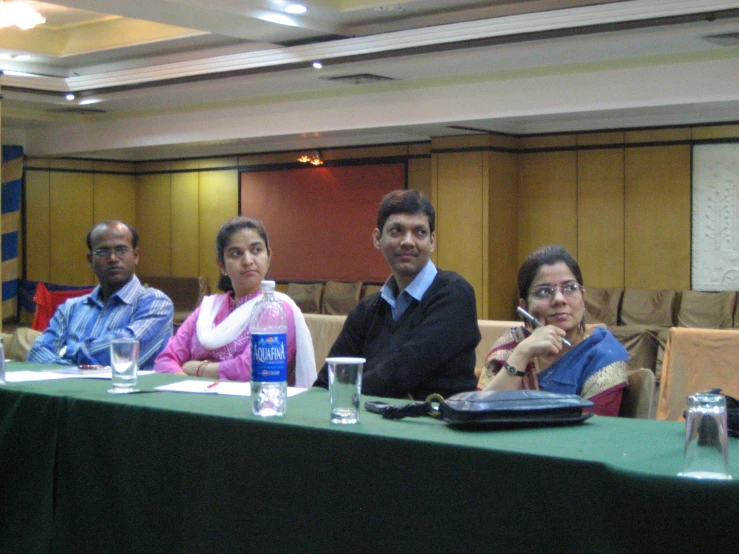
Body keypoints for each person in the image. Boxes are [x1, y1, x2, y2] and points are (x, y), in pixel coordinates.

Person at [314, 190, 481, 399]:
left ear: (432, 241)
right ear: (377, 238)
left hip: (435, 426)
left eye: (420, 232)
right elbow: (327, 380)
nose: (408, 241)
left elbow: (402, 374)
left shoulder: (454, 294)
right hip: (370, 424)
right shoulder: (367, 309)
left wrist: (343, 390)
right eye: (397, 231)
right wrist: (337, 389)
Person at [154, 216, 316, 386]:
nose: (248, 261)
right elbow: (165, 360)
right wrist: (190, 386)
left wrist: (197, 368)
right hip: (194, 401)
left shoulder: (276, 308)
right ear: (222, 265)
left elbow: (250, 370)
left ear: (269, 256)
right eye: (236, 253)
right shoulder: (209, 308)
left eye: (256, 250)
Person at [477, 245, 628, 416]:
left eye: (570, 288)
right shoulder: (513, 345)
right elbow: (479, 413)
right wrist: (522, 354)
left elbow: (594, 432)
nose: (559, 299)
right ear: (524, 306)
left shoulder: (602, 355)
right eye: (544, 292)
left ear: (583, 298)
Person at [28, 220, 174, 369]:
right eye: (103, 251)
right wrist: (75, 369)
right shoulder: (70, 308)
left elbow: (123, 352)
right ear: (90, 260)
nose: (113, 259)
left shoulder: (155, 303)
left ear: (136, 256)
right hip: (67, 390)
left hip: (127, 390)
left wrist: (67, 351)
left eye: (121, 250)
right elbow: (37, 353)